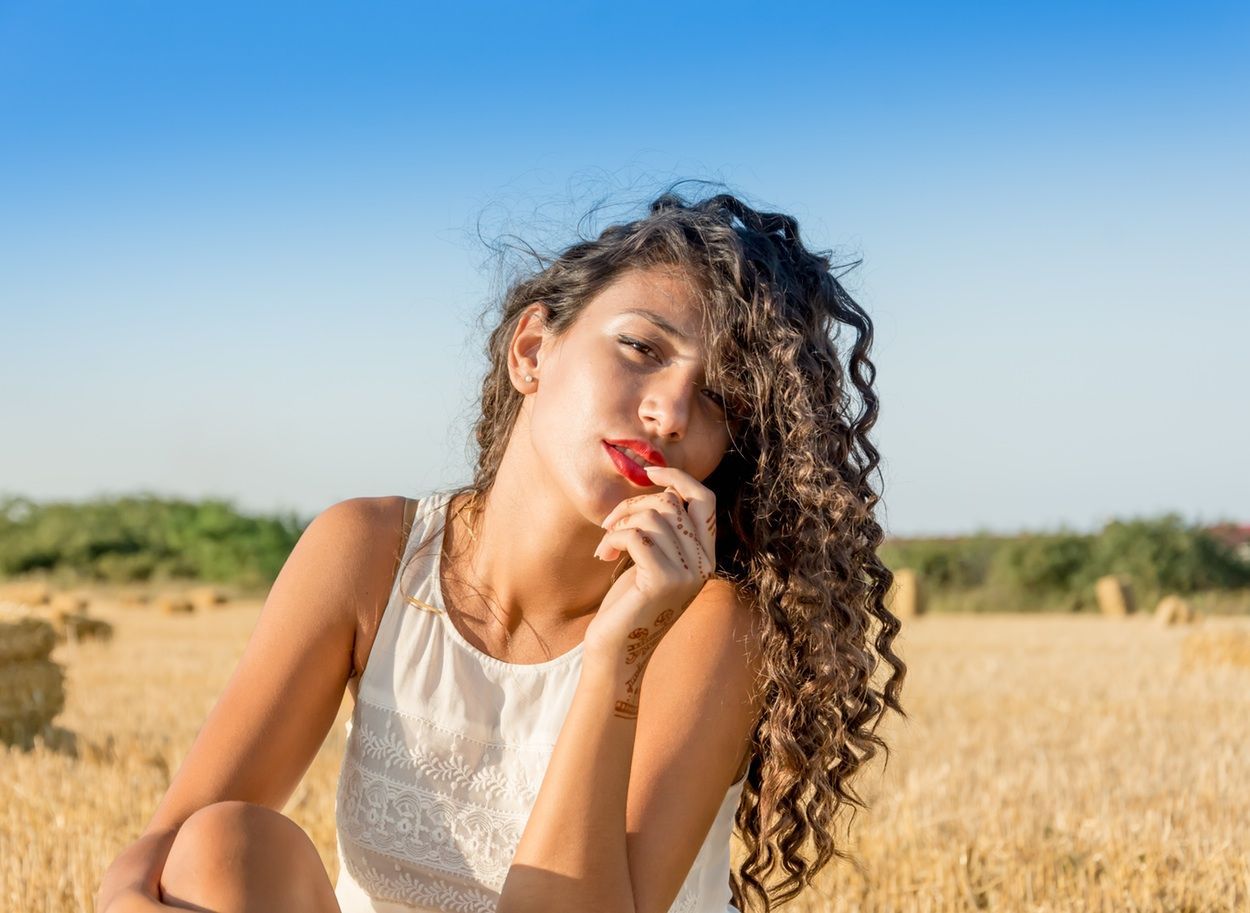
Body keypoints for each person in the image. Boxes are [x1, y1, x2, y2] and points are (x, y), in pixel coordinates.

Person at [96, 187, 907, 913]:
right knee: (219, 847)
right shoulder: (369, 552)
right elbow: (168, 848)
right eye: (641, 348)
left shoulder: (713, 627)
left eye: (718, 397)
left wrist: (618, 657)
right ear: (532, 351)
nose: (667, 411)